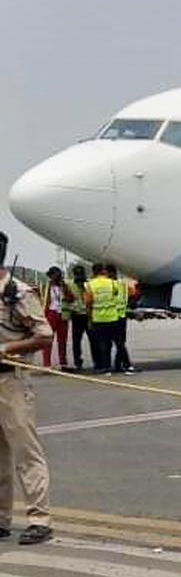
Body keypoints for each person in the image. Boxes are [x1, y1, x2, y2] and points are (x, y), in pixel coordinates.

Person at [0, 231, 55, 544]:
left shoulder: (17, 293)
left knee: (26, 453)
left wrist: (9, 348)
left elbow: (44, 336)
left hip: (13, 380)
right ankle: (1, 519)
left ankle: (40, 519)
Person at [84, 263, 118, 374]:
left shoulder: (90, 285)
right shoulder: (112, 283)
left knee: (101, 343)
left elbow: (88, 303)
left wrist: (89, 319)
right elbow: (116, 294)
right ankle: (112, 365)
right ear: (104, 271)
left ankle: (105, 366)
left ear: (93, 272)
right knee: (111, 343)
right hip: (112, 317)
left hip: (98, 318)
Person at [107, 264, 137, 375]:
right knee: (120, 343)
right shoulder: (123, 284)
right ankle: (122, 364)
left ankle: (117, 365)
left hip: (109, 316)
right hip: (121, 316)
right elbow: (133, 294)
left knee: (111, 343)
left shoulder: (107, 285)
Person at [40, 267, 68, 369]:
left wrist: (64, 287)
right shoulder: (45, 286)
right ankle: (46, 364)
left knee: (62, 340)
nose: (59, 276)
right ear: (51, 276)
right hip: (51, 314)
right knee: (48, 340)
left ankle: (63, 363)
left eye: (60, 274)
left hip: (62, 314)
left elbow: (70, 298)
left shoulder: (63, 286)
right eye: (57, 274)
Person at [63, 265, 90, 372]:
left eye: (81, 274)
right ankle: (78, 362)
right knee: (76, 342)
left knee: (94, 340)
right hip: (77, 315)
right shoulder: (69, 285)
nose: (80, 276)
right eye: (78, 274)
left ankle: (98, 361)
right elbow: (67, 299)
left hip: (88, 315)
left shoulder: (88, 284)